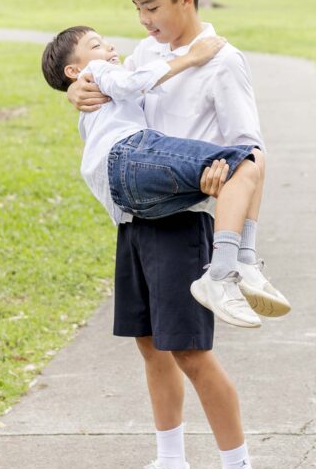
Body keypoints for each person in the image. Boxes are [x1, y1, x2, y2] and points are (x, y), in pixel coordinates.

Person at [65, 0, 287, 469]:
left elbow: (249, 150)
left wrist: (223, 173)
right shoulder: (147, 51)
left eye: (152, 8)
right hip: (136, 217)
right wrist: (78, 91)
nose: (144, 21)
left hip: (184, 220)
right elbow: (116, 94)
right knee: (150, 344)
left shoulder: (223, 61)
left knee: (191, 352)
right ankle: (171, 468)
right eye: (138, 10)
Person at [41, 25, 290, 326]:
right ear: (74, 68)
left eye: (106, 41)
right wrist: (190, 58)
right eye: (97, 45)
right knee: (247, 162)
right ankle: (227, 269)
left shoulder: (123, 66)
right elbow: (132, 83)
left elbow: (131, 79)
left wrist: (72, 85)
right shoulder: (99, 70)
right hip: (129, 155)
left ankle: (244, 261)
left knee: (248, 161)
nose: (108, 48)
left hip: (128, 193)